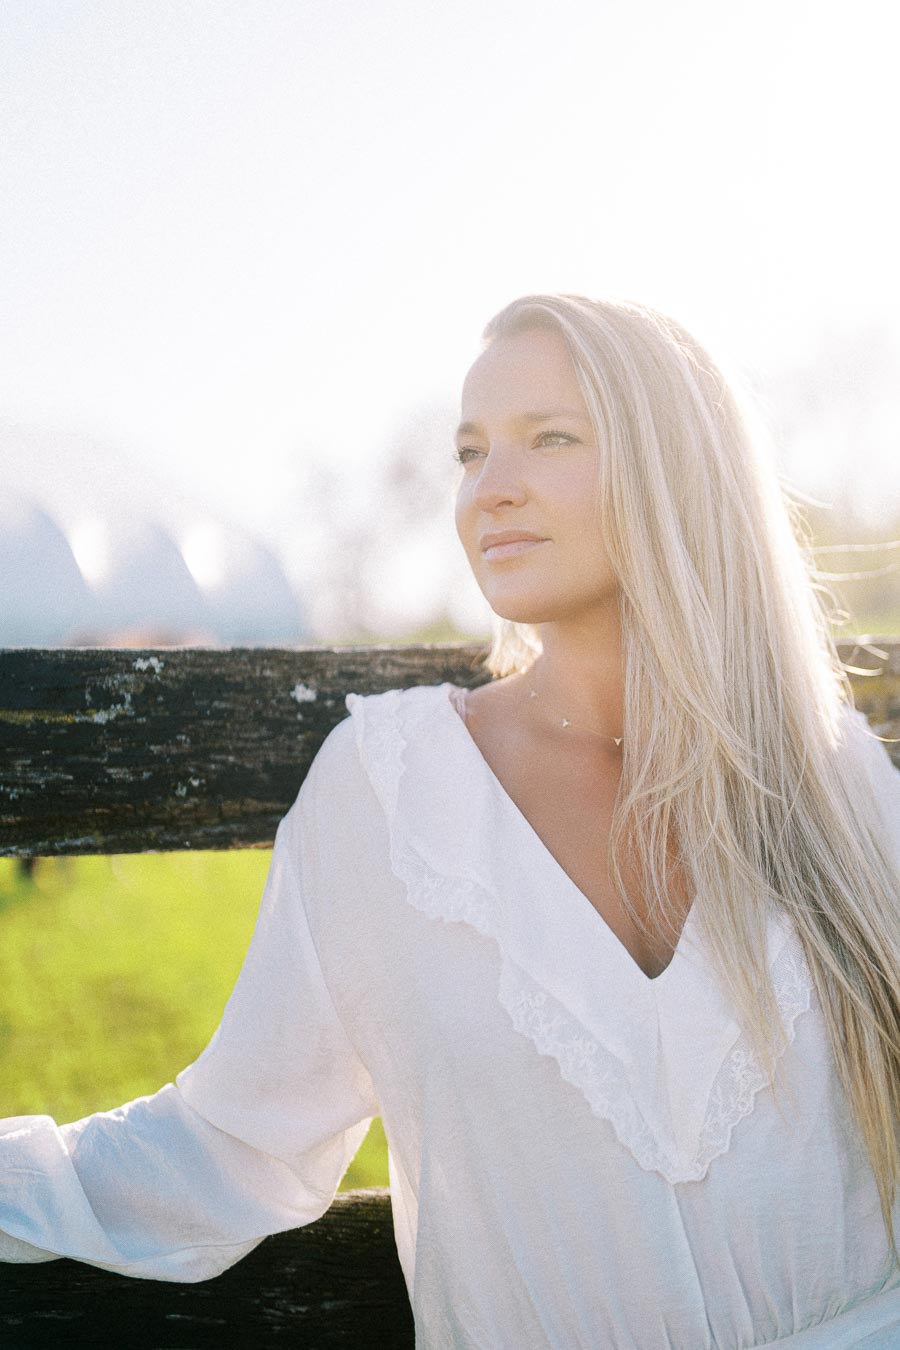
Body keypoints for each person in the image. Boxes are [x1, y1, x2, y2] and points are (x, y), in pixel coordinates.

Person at [2, 293, 900, 1347]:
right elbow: (231, 1148)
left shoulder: (836, 781)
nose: (490, 491)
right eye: (471, 453)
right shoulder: (390, 790)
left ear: (681, 467)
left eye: (549, 438)